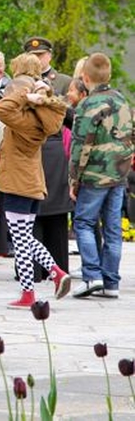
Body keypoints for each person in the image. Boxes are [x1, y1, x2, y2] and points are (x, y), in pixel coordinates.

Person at [0, 69, 71, 308]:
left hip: (17, 184)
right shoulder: (42, 119)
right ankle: (29, 292)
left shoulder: (23, 120)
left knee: (22, 238)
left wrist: (23, 93)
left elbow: (1, 110)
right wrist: (40, 92)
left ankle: (54, 271)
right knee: (23, 239)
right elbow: (58, 107)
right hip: (32, 183)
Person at [70, 53, 134, 299]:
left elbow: (80, 146)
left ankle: (92, 275)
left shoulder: (87, 105)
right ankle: (111, 283)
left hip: (94, 175)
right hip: (118, 174)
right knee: (113, 229)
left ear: (85, 78)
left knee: (84, 222)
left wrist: (73, 180)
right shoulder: (122, 100)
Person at [24, 36, 73, 277]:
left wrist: (49, 96)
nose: (38, 59)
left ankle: (58, 266)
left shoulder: (63, 81)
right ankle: (31, 269)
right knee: (29, 213)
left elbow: (70, 114)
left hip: (53, 149)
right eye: (33, 56)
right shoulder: (19, 82)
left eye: (41, 55)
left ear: (49, 56)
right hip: (28, 149)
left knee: (55, 213)